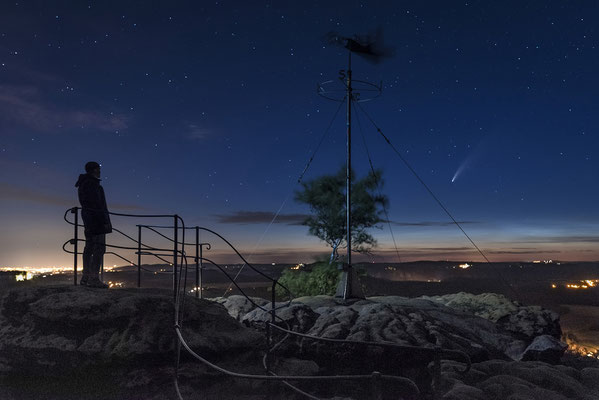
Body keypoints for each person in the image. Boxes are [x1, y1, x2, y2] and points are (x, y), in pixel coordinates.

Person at [75, 161, 112, 288]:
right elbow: (97, 205)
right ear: (93, 170)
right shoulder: (93, 185)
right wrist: (104, 221)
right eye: (98, 169)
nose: (100, 171)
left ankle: (86, 276)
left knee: (89, 247)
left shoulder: (84, 184)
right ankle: (93, 278)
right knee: (99, 248)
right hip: (96, 220)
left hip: (89, 219)